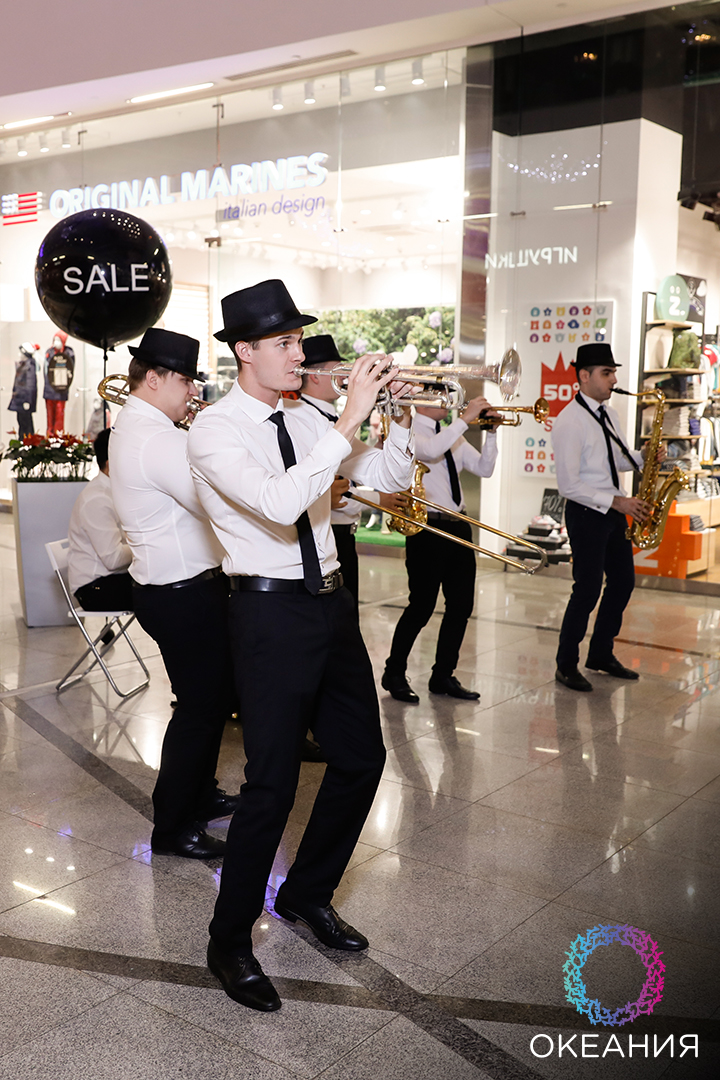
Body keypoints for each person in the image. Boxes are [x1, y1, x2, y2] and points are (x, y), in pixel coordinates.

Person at [186, 278, 415, 1013]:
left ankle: (307, 892)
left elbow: (382, 478)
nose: (299, 355)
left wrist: (398, 418)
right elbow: (282, 503)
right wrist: (347, 418)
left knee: (362, 757)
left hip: (330, 605)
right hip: (268, 614)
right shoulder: (215, 430)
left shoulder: (308, 417)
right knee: (273, 785)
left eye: (297, 340)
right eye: (284, 343)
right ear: (244, 351)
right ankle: (229, 940)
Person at [110, 327, 239, 858]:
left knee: (207, 702)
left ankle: (200, 795)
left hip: (170, 588)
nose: (192, 391)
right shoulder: (157, 438)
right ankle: (173, 827)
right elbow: (216, 501)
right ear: (154, 379)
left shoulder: (140, 426)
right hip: (183, 593)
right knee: (200, 711)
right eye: (185, 380)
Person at [552, 341, 664, 692]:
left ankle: (600, 653)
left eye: (613, 372)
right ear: (584, 377)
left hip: (613, 511)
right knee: (586, 590)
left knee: (622, 582)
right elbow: (569, 484)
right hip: (587, 513)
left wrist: (643, 456)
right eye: (607, 372)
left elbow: (615, 460)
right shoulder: (569, 421)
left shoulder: (609, 414)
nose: (614, 379)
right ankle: (565, 664)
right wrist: (617, 503)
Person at [381, 392, 501, 703]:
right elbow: (433, 449)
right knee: (421, 606)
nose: (446, 400)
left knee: (461, 606)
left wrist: (491, 433)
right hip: (427, 528)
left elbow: (484, 469)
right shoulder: (410, 433)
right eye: (438, 395)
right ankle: (394, 672)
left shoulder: (453, 436)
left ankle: (443, 675)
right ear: (420, 401)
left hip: (458, 523)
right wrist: (466, 419)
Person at [298, 333, 395, 610]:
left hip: (343, 536)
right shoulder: (306, 417)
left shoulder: (332, 417)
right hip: (329, 537)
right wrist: (379, 500)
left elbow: (354, 472)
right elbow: (332, 491)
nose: (346, 377)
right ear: (315, 375)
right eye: (337, 369)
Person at [68, 427, 133, 613]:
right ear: (110, 465)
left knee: (165, 582)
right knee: (163, 591)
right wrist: (145, 545)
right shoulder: (97, 500)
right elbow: (114, 559)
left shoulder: (113, 492)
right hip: (94, 589)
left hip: (110, 579)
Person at [44, 331, 75, 434]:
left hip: (61, 390)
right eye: (55, 340)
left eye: (59, 340)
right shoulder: (49, 352)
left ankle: (59, 437)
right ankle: (49, 436)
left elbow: (70, 369)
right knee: (49, 417)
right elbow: (46, 371)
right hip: (49, 389)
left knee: (59, 415)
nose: (56, 342)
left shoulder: (69, 353)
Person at [8, 342, 39, 439]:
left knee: (26, 423)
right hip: (20, 400)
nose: (19, 355)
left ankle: (27, 441)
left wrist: (27, 401)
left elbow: (30, 385)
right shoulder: (24, 365)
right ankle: (23, 440)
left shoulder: (29, 367)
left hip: (24, 401)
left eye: (21, 353)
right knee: (21, 422)